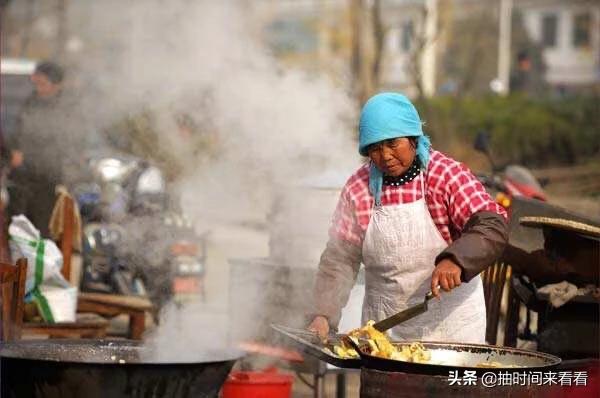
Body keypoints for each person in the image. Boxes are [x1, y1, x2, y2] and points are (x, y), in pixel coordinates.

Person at [308, 93, 509, 343]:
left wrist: (457, 260)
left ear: (414, 138)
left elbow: (491, 224)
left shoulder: (445, 175)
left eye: (393, 144)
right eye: (375, 148)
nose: (386, 156)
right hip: (384, 330)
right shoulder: (358, 188)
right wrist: (323, 315)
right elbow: (340, 258)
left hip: (452, 327)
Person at [7, 61, 71, 237]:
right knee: (18, 230)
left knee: (43, 230)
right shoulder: (31, 102)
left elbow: (66, 143)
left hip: (48, 180)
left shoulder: (66, 109)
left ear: (56, 84)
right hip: (22, 178)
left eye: (42, 83)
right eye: (36, 83)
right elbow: (18, 133)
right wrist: (14, 151)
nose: (38, 87)